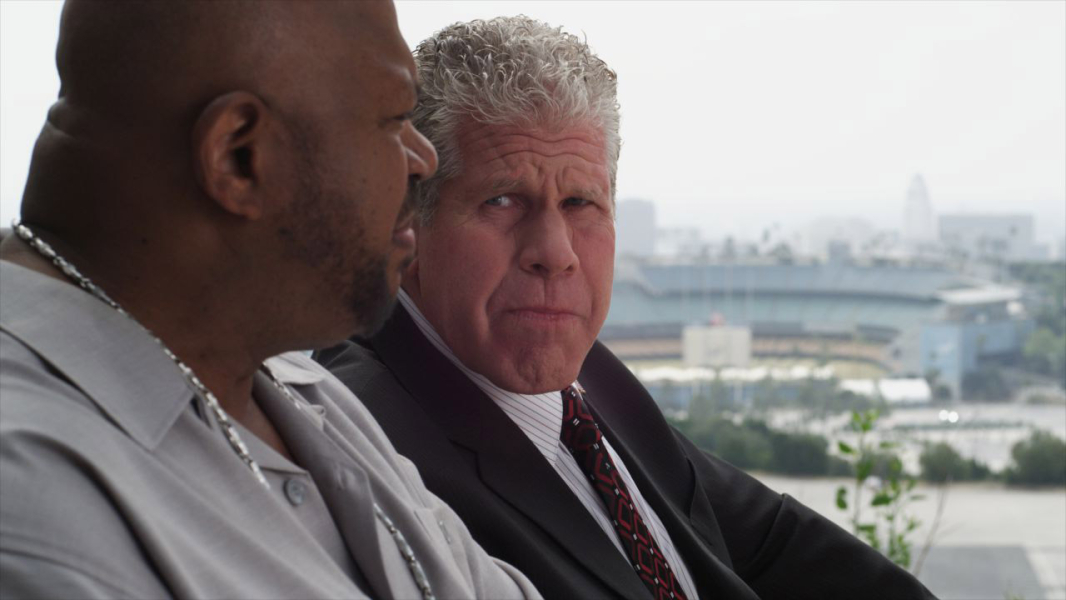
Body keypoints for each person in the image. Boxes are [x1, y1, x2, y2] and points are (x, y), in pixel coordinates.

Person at [318, 16, 937, 600]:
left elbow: (775, 541)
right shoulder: (365, 441)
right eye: (503, 200)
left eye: (581, 203)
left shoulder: (594, 382)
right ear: (407, 221)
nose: (555, 253)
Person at [0, 2, 542, 598]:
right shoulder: (32, 507)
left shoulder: (297, 388)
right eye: (393, 120)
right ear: (239, 155)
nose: (424, 160)